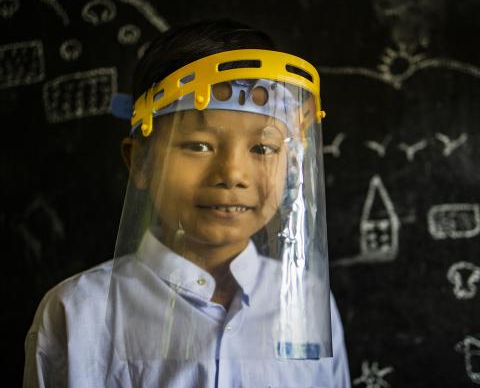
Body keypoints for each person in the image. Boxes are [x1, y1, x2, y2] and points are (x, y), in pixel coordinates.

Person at [23, 19, 350, 387]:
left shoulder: (305, 301)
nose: (232, 174)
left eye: (263, 148)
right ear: (140, 162)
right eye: (198, 145)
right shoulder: (78, 312)